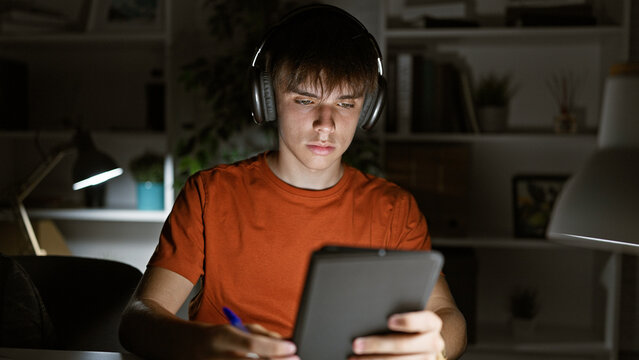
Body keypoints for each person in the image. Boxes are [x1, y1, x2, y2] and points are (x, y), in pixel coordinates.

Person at [119, 5, 467, 360]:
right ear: (267, 100)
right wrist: (206, 343)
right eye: (305, 100)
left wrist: (433, 348)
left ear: (368, 109)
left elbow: (448, 316)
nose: (326, 124)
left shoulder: (394, 209)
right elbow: (138, 318)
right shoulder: (210, 194)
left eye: (346, 104)